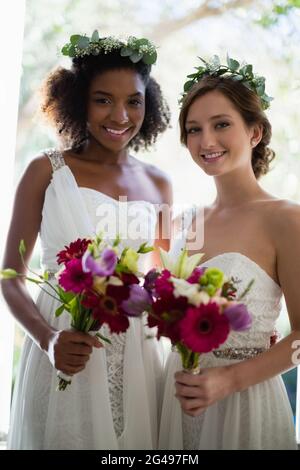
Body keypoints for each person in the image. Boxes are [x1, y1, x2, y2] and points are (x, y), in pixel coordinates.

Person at [1, 31, 172, 450]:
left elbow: (164, 280)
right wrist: (49, 339)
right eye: (103, 99)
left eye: (133, 100)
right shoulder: (45, 170)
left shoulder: (160, 183)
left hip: (138, 357)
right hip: (65, 350)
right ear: (78, 101)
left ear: (148, 104)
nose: (120, 115)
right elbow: (9, 276)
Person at [159, 56, 299, 450]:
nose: (206, 141)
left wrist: (228, 380)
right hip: (177, 399)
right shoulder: (186, 223)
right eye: (193, 129)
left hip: (244, 406)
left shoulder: (286, 219)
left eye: (221, 124)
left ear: (255, 132)